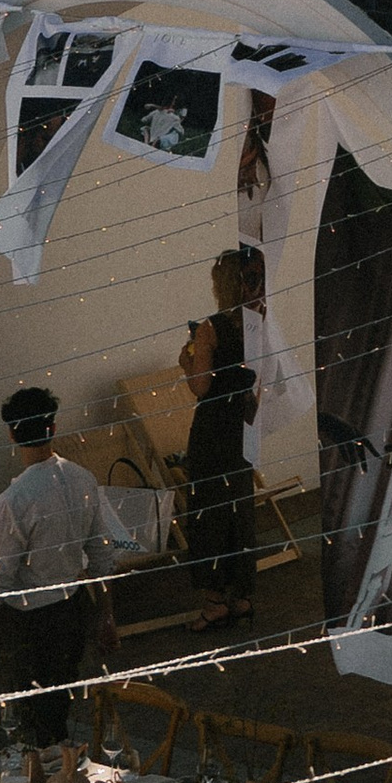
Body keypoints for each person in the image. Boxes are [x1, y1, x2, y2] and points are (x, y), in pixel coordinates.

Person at [0, 386, 131, 739]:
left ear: (10, 433)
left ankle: (43, 780)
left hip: (31, 625)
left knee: (32, 718)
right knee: (57, 709)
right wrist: (107, 615)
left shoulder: (16, 499)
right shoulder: (82, 478)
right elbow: (101, 555)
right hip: (73, 612)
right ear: (52, 428)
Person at [179, 246, 261, 627]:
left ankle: (214, 602)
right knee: (240, 513)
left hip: (213, 431)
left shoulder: (213, 328)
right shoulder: (260, 322)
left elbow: (200, 386)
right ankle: (241, 596)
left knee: (209, 515)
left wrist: (187, 359)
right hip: (244, 427)